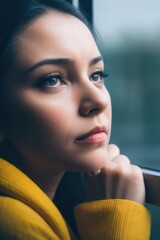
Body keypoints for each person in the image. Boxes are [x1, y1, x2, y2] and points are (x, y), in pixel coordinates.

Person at [0, 0, 150, 239]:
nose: (97, 100)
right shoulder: (14, 224)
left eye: (96, 75)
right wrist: (116, 223)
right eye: (52, 80)